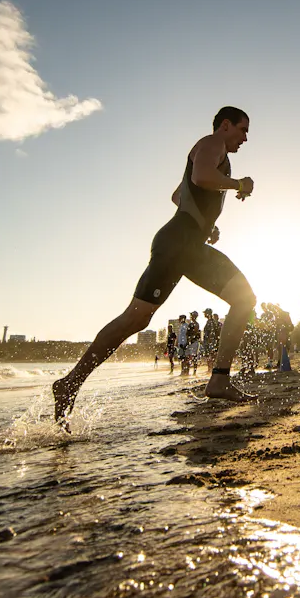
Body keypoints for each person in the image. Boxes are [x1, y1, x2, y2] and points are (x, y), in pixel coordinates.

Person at [51, 107, 258, 425]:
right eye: (243, 129)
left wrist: (205, 224)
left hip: (184, 242)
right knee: (140, 318)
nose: (246, 137)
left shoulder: (213, 152)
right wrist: (238, 184)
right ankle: (218, 380)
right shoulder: (212, 143)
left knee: (137, 319)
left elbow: (179, 194)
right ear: (225, 125)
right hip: (179, 243)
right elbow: (201, 177)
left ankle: (70, 383)